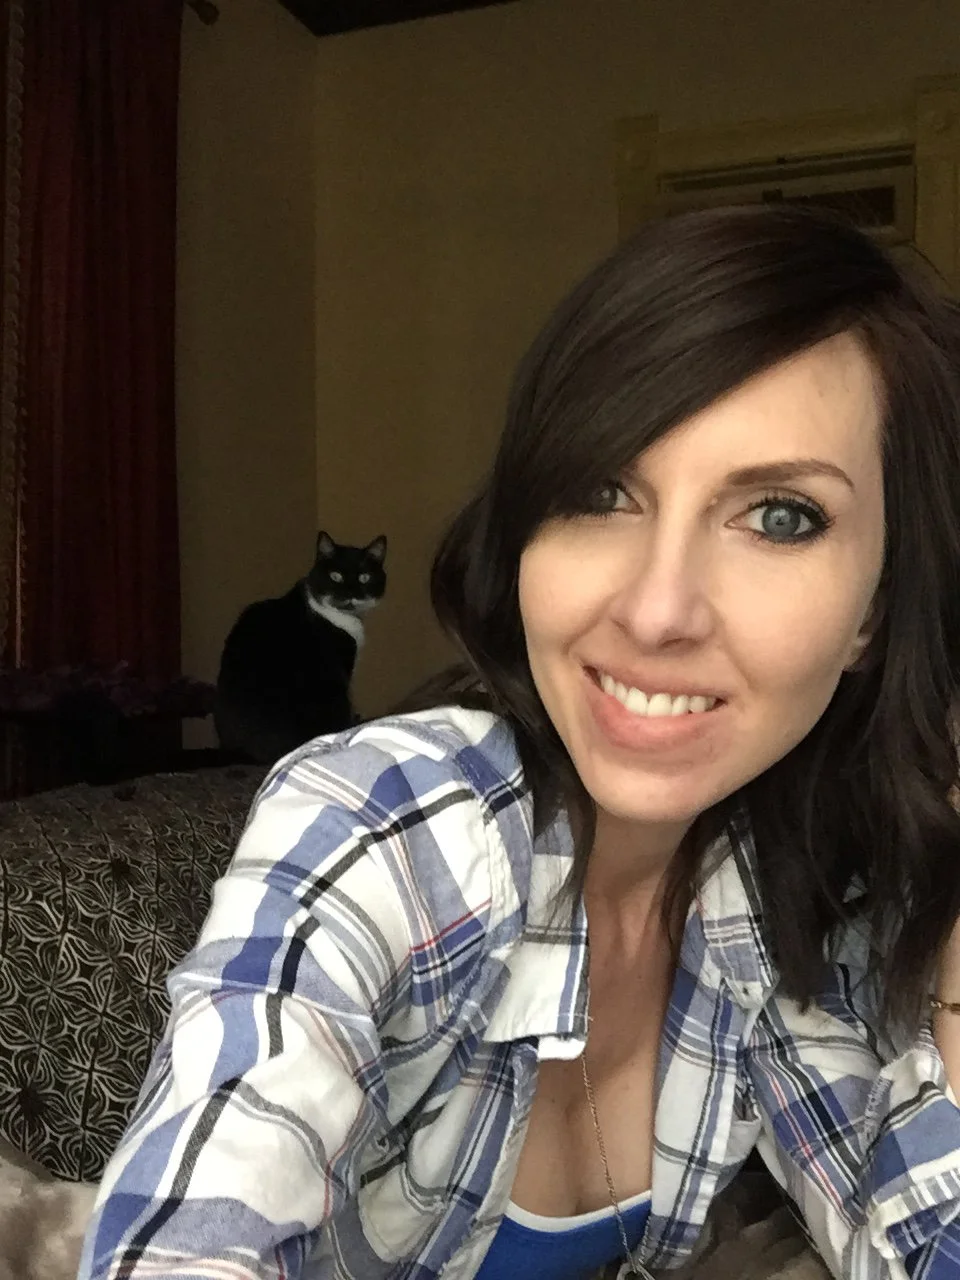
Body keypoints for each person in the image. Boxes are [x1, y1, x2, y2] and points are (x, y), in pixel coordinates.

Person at [78, 205, 960, 1280]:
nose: (656, 609)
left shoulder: (774, 893)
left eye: (779, 515)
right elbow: (196, 1215)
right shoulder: (392, 819)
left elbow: (915, 1238)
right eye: (601, 492)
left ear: (875, 612)